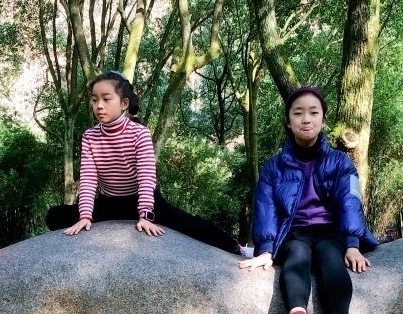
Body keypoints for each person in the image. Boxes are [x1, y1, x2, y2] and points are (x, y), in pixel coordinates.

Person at [238, 86, 378, 314]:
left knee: (331, 259)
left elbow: (349, 201)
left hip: (330, 232)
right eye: (297, 113)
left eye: (313, 113)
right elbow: (266, 207)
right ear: (288, 121)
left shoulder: (340, 162)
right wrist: (265, 248)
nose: (306, 119)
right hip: (294, 232)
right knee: (297, 257)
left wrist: (352, 244)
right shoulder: (275, 166)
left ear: (323, 119)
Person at [46, 70, 250, 256]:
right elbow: (89, 179)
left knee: (189, 223)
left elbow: (146, 177)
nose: (99, 106)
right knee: (55, 216)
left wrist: (145, 215)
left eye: (106, 99)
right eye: (94, 100)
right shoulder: (90, 136)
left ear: (124, 104)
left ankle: (236, 247)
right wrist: (85, 216)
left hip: (142, 200)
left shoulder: (139, 133)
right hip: (110, 203)